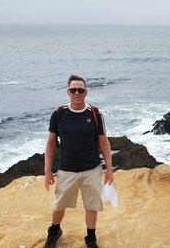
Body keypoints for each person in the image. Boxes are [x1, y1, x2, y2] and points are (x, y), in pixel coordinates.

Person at [43, 75, 114, 248]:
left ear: (85, 93)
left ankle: (90, 239)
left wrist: (109, 169)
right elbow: (51, 143)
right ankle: (54, 231)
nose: (77, 93)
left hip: (92, 169)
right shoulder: (59, 114)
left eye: (80, 90)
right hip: (66, 169)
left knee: (91, 205)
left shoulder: (95, 114)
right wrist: (47, 171)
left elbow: (103, 142)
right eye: (73, 90)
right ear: (68, 92)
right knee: (60, 204)